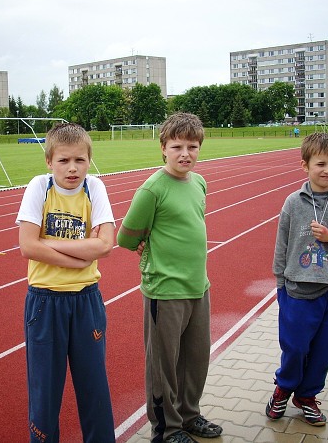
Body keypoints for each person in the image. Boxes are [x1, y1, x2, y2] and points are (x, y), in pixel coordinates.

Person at [117, 112, 223, 443]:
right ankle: (166, 429)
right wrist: (146, 247)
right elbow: (126, 237)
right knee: (164, 367)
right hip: (165, 291)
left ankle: (189, 416)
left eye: (192, 146)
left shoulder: (199, 182)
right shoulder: (152, 189)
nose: (185, 153)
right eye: (177, 146)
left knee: (195, 360)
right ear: (163, 148)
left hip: (198, 286)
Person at [16, 122, 116, 443]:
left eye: (80, 160)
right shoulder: (39, 187)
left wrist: (50, 243)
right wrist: (81, 257)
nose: (72, 168)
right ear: (49, 161)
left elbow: (105, 245)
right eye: (63, 160)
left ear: (89, 160)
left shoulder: (95, 188)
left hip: (86, 301)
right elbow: (27, 246)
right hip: (45, 303)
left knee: (94, 388)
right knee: (44, 392)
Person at [266, 132, 328, 426]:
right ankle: (284, 387)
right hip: (296, 287)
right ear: (305, 166)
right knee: (294, 346)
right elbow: (281, 244)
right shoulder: (293, 202)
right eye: (320, 164)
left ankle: (307, 395)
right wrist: (280, 283)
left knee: (323, 347)